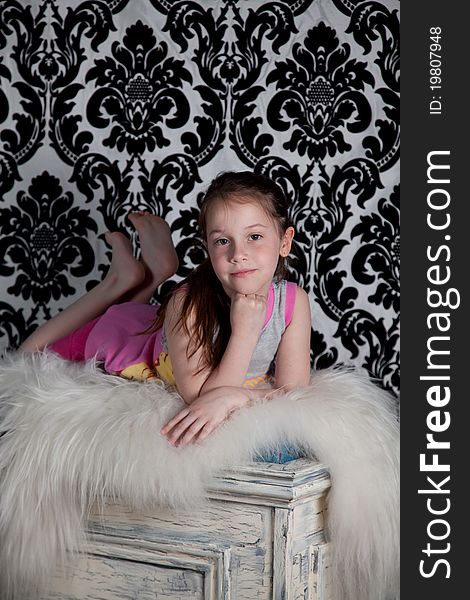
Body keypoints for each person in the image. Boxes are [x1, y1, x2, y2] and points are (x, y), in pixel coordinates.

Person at [19, 171, 312, 447]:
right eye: (223, 241)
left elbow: (294, 392)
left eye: (255, 237)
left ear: (285, 242)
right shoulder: (186, 304)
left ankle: (147, 273)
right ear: (207, 248)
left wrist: (234, 399)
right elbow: (201, 397)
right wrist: (245, 333)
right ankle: (118, 281)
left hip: (162, 329)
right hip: (126, 339)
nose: (238, 255)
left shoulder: (292, 301)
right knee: (30, 353)